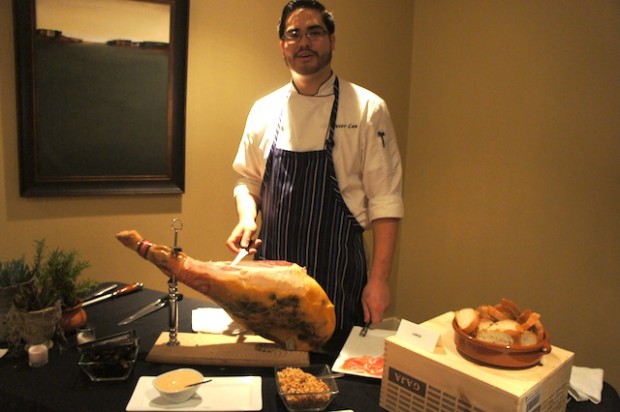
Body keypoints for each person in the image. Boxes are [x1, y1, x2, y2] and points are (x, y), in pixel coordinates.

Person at [227, 0, 404, 336]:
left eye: (315, 33)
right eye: (294, 34)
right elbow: (247, 181)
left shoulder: (368, 109)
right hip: (271, 273)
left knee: (335, 376)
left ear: (332, 40)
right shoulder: (264, 110)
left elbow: (386, 201)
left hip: (336, 274)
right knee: (271, 363)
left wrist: (379, 280)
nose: (304, 42)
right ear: (283, 46)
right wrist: (247, 217)